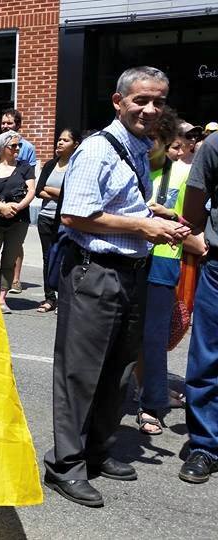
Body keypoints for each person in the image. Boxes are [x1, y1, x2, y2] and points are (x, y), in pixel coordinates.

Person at [43, 66, 190, 507]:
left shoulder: (138, 147)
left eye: (157, 101)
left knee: (119, 368)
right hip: (95, 270)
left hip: (130, 272)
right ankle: (65, 466)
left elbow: (117, 200)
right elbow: (75, 214)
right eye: (140, 100)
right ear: (118, 101)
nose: (149, 109)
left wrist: (155, 211)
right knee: (80, 372)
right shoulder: (96, 150)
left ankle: (98, 451)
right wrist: (142, 226)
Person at [135, 111, 206, 435]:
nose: (182, 149)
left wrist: (171, 214)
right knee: (127, 333)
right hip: (133, 255)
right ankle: (140, 392)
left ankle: (152, 403)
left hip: (165, 257)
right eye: (177, 143)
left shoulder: (187, 174)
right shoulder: (139, 167)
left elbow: (193, 222)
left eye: (187, 143)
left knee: (154, 336)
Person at [181, 128, 218, 483]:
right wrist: (197, 236)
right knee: (207, 356)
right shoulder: (216, 145)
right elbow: (196, 195)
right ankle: (205, 446)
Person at [0, 109, 38, 293]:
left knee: (10, 257)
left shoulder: (26, 157)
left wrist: (17, 207)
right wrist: (1, 206)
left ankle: (6, 292)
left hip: (18, 218)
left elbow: (31, 189)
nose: (17, 149)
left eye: (10, 123)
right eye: (3, 122)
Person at [33, 128, 81, 313]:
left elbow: (73, 194)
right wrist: (60, 193)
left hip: (65, 221)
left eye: (65, 140)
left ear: (75, 144)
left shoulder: (77, 167)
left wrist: (51, 191)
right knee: (48, 258)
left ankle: (64, 299)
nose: (60, 143)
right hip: (46, 218)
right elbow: (39, 190)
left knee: (65, 259)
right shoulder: (50, 165)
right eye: (59, 140)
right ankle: (49, 298)